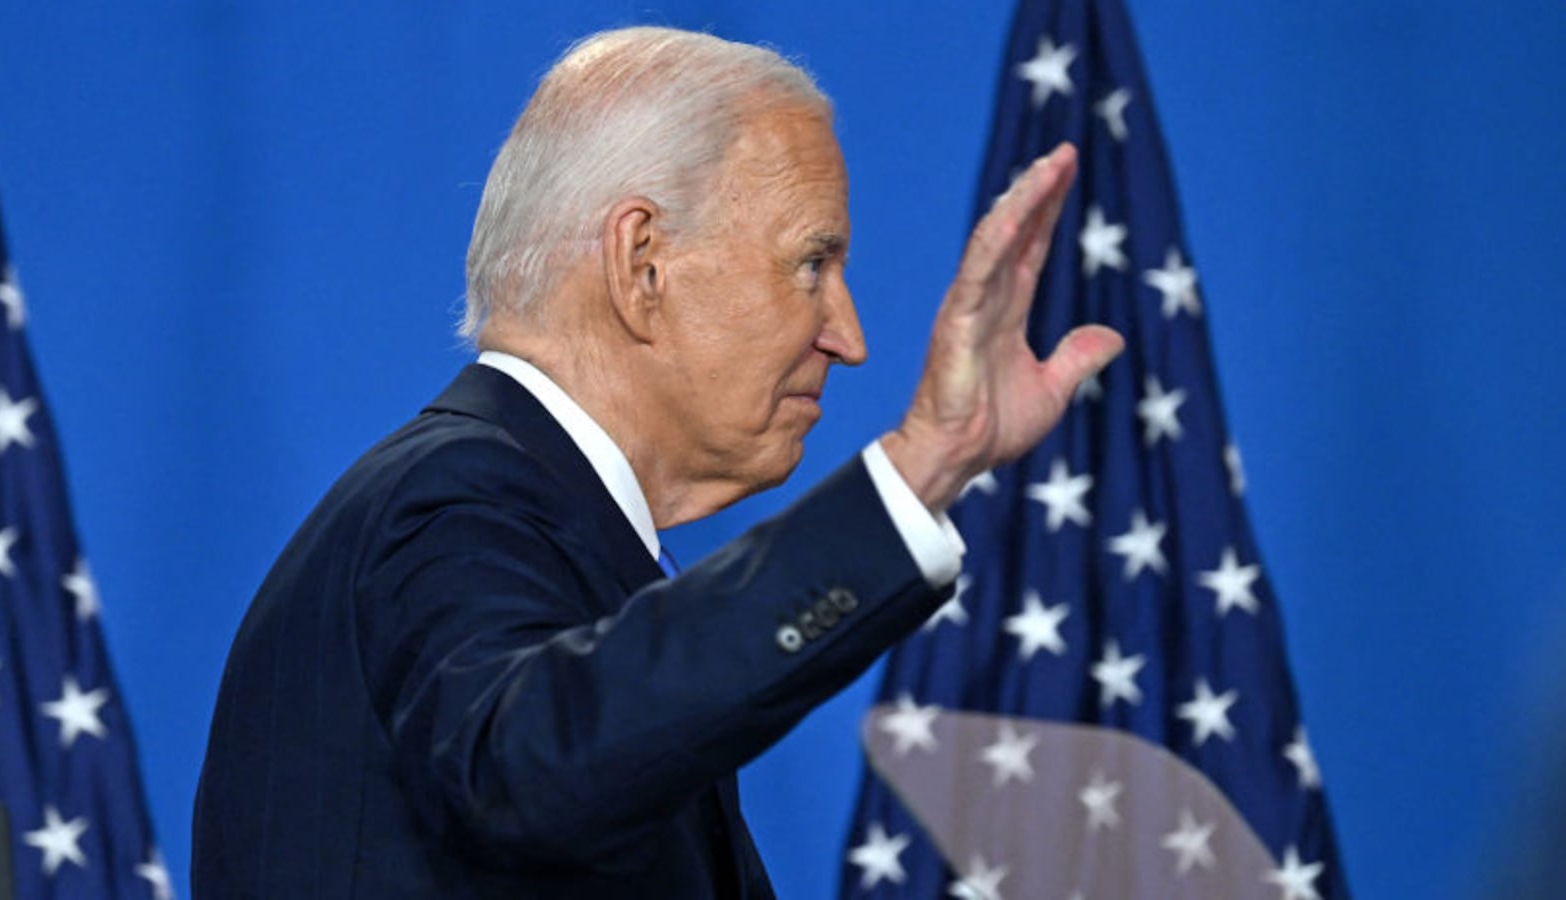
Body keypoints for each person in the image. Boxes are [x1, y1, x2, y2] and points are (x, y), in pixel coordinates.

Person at [191, 25, 1121, 899]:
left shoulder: (553, 540)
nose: (849, 336)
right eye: (811, 264)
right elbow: (538, 766)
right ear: (642, 264)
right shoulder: (453, 500)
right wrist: (923, 463)